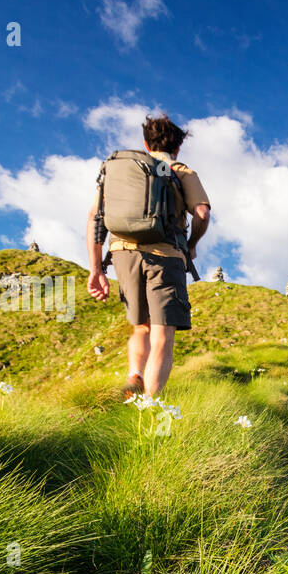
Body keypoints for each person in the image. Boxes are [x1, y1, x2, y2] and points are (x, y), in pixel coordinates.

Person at [86, 114, 211, 397]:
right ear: (178, 147)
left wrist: (96, 269)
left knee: (140, 326)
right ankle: (150, 406)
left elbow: (95, 217)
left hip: (122, 254)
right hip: (166, 255)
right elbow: (202, 213)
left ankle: (135, 376)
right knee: (162, 335)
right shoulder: (181, 170)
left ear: (146, 143)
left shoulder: (121, 171)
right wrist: (192, 244)